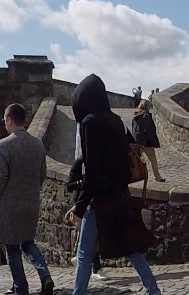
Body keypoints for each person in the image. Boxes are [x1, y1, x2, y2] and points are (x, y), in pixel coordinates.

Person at [68, 74, 161, 295]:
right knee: (131, 248)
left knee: (84, 253)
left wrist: (80, 206)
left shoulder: (90, 123)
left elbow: (92, 170)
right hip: (118, 196)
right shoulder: (115, 120)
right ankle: (153, 290)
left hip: (99, 200)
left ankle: (77, 293)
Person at [0, 103, 55, 295]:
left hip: (9, 207)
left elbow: (1, 178)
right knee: (28, 243)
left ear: (9, 119)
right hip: (31, 203)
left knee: (12, 246)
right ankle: (45, 276)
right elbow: (42, 174)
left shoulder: (4, 146)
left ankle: (21, 288)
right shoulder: (37, 144)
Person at [132, 100, 165, 182]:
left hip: (137, 143)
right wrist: (151, 142)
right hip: (146, 143)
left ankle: (137, 176)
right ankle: (157, 177)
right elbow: (149, 130)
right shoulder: (146, 116)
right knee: (153, 160)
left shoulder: (135, 117)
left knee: (137, 161)